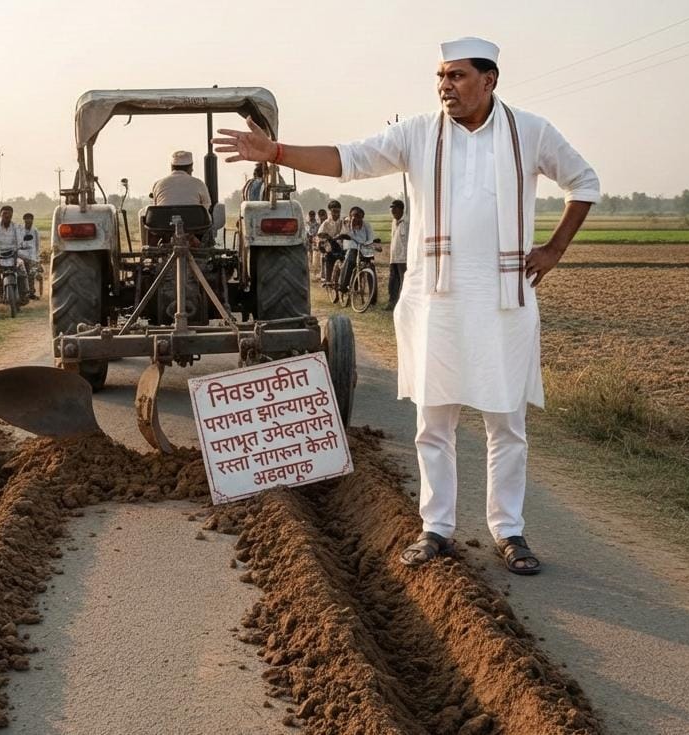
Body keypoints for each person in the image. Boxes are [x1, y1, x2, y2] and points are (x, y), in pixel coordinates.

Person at [213, 36, 600, 575]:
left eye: (457, 75)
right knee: (433, 425)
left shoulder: (530, 132)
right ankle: (436, 528)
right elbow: (348, 158)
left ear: (489, 80)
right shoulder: (418, 133)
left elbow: (584, 181)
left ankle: (508, 531)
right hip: (435, 301)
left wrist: (555, 248)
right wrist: (276, 152)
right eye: (440, 76)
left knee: (506, 425)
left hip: (502, 302)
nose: (445, 86)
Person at [337, 206, 381, 294]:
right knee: (351, 258)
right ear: (350, 216)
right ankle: (343, 285)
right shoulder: (346, 223)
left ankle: (373, 295)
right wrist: (350, 225)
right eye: (354, 216)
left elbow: (371, 237)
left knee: (371, 266)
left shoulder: (366, 225)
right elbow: (344, 234)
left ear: (362, 217)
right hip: (350, 247)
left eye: (359, 217)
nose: (356, 219)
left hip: (364, 248)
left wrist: (370, 244)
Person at [386, 199, 409, 310]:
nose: (393, 211)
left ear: (401, 209)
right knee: (393, 281)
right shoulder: (394, 222)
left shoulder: (407, 222)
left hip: (403, 257)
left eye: (395, 208)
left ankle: (402, 304)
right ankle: (392, 302)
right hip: (394, 256)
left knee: (403, 281)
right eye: (392, 209)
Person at [317, 200, 346, 283]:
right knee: (329, 258)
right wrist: (324, 240)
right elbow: (320, 235)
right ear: (330, 211)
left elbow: (345, 233)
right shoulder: (326, 223)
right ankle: (328, 281)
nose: (336, 214)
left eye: (338, 211)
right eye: (334, 211)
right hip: (329, 246)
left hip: (341, 246)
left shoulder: (342, 222)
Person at [19, 212, 40, 299]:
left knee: (31, 275)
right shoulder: (20, 230)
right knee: (22, 274)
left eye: (29, 219)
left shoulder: (35, 230)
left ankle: (31, 293)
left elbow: (37, 244)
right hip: (21, 255)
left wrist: (37, 256)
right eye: (26, 219)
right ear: (24, 220)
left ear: (32, 220)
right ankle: (22, 293)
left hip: (32, 255)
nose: (28, 221)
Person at [305, 210, 320, 278]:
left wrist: (314, 237)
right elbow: (306, 231)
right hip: (307, 240)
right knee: (308, 253)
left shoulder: (317, 224)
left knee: (313, 254)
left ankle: (314, 268)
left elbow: (317, 232)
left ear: (314, 215)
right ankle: (309, 267)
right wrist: (308, 236)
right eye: (310, 215)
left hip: (314, 240)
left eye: (313, 215)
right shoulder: (306, 223)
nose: (311, 216)